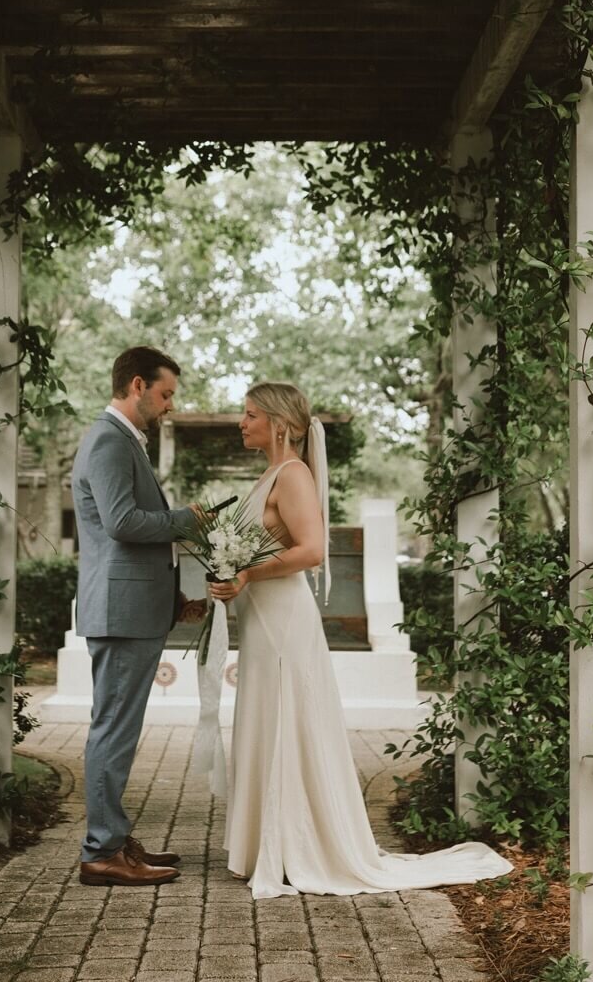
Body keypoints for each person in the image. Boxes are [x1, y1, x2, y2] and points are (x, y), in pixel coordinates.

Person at [210, 380, 512, 899]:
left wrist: (246, 575)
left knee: (286, 720)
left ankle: (293, 845)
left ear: (279, 424)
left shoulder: (295, 475)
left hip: (283, 619)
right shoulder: (269, 474)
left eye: (250, 413)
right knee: (263, 717)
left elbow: (311, 552)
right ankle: (262, 845)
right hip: (260, 619)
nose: (242, 422)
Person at [72, 345, 205, 888]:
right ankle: (101, 851)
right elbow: (123, 522)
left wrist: (174, 597)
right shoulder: (107, 440)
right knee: (113, 730)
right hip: (120, 612)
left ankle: (115, 839)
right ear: (135, 385)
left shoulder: (124, 441)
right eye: (165, 393)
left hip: (134, 608)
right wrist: (185, 520)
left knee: (117, 728)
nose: (170, 405)